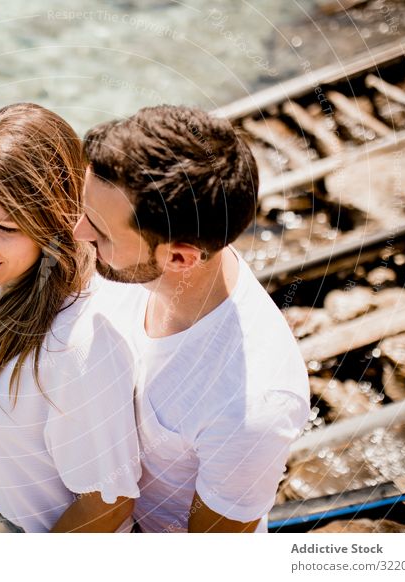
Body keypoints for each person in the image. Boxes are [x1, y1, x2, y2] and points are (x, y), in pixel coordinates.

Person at [73, 105, 310, 533]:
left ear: (179, 258)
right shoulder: (133, 258)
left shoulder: (252, 407)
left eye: (100, 231)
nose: (78, 233)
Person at [0, 103, 141, 533]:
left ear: (53, 224)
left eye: (5, 226)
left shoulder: (76, 350)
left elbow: (108, 504)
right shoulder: (12, 274)